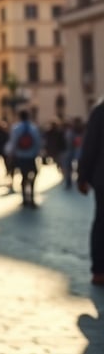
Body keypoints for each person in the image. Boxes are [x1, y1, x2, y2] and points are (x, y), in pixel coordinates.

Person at [77, 98, 104, 286]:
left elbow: (89, 146)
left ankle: (100, 270)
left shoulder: (100, 111)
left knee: (102, 222)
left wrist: (83, 176)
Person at [8, 109, 42, 207]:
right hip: (31, 156)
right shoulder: (33, 128)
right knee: (33, 175)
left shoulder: (16, 128)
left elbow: (13, 143)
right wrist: (37, 153)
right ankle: (31, 196)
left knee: (23, 176)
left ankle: (24, 198)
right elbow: (37, 143)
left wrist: (11, 155)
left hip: (21, 156)